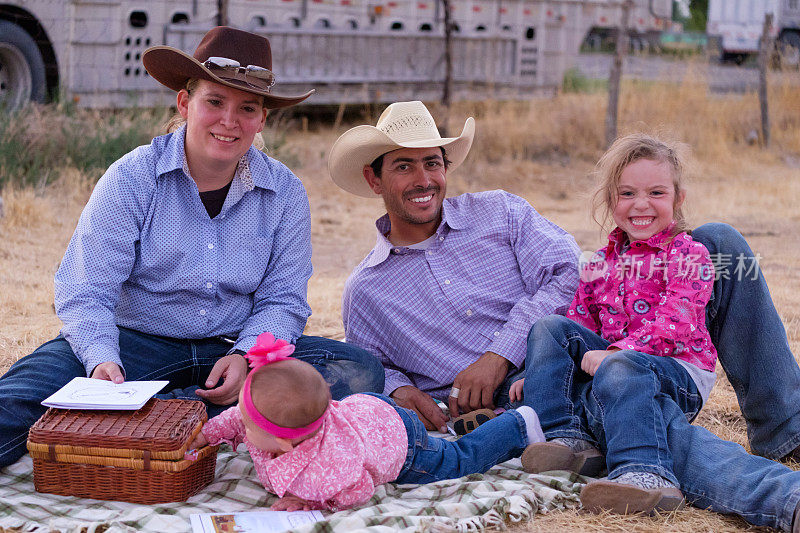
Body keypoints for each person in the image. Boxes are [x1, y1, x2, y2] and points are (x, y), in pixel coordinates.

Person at [0, 26, 382, 469]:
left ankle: (150, 418)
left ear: (262, 120)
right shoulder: (131, 178)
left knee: (358, 370)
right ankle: (180, 415)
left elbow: (283, 300)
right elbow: (86, 290)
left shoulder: (284, 192)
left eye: (248, 108)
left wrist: (246, 357)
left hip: (232, 346)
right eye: (214, 102)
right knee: (16, 401)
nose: (229, 121)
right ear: (185, 104)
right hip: (133, 345)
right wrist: (102, 360)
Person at [513, 133, 800, 531]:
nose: (641, 204)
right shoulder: (598, 263)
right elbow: (581, 324)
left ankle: (645, 472)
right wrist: (545, 370)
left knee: (621, 368)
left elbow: (677, 321)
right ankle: (568, 439)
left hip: (674, 371)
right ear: (612, 200)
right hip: (617, 371)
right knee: (549, 328)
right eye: (627, 193)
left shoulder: (690, 254)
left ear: (678, 199)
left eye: (656, 192)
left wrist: (619, 352)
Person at [327, 100, 581, 435]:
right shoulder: (366, 290)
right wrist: (398, 389)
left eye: (432, 163)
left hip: (560, 362)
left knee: (626, 384)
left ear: (445, 168)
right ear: (374, 180)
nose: (424, 180)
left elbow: (569, 273)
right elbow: (371, 365)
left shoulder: (501, 213)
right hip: (480, 409)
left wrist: (499, 354)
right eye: (403, 167)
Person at [190, 332, 546, 511]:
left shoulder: (328, 469)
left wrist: (311, 502)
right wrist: (208, 434)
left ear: (284, 443)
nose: (242, 426)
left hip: (399, 444)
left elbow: (361, 486)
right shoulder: (262, 422)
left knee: (456, 460)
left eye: (251, 428)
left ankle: (518, 424)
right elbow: (237, 417)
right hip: (365, 411)